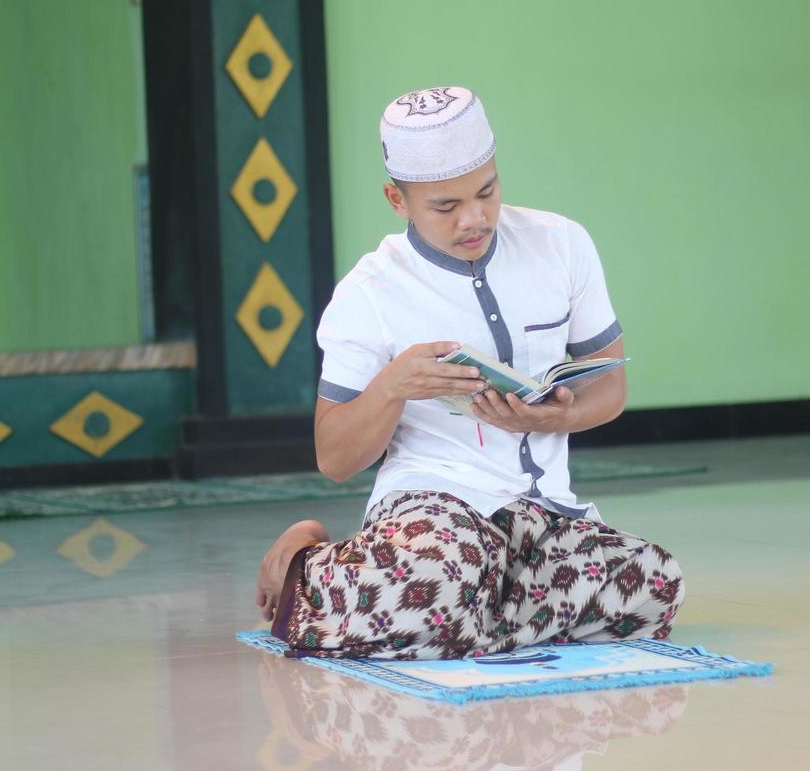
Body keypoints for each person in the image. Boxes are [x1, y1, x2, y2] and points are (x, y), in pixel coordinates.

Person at [254, 86, 684, 659]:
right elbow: (334, 459)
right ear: (396, 199)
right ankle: (311, 567)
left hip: (542, 514)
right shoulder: (368, 293)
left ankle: (452, 617)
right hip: (435, 515)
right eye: (445, 206)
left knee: (653, 585)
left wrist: (563, 414)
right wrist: (393, 386)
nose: (474, 219)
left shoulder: (562, 245)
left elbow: (609, 389)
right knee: (446, 573)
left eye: (487, 191)